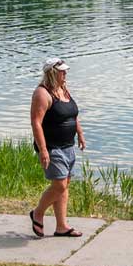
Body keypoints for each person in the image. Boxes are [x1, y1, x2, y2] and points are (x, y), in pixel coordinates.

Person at [28, 57, 84, 238]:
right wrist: (43, 149)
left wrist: (80, 134)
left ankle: (61, 226)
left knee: (64, 185)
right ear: (52, 73)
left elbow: (73, 114)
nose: (65, 74)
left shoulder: (63, 89)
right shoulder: (42, 93)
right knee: (59, 185)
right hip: (52, 147)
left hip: (68, 146)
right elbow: (36, 123)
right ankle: (38, 213)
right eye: (62, 71)